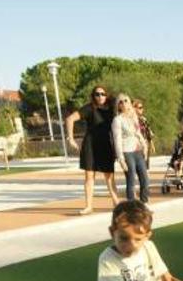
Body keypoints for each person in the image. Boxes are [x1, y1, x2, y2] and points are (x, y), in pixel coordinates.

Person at [65, 86, 120, 215]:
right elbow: (70, 119)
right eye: (97, 94)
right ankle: (89, 206)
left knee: (109, 177)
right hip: (90, 145)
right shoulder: (89, 108)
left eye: (103, 94)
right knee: (89, 177)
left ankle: (116, 203)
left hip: (106, 145)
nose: (100, 97)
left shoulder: (112, 108)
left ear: (107, 95)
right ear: (93, 96)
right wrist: (71, 138)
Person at [112, 94, 149, 203]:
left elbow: (138, 133)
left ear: (129, 103)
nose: (123, 103)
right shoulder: (117, 120)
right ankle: (131, 207)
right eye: (121, 102)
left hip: (137, 150)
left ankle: (143, 204)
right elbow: (117, 139)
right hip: (127, 152)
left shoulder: (134, 117)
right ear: (118, 106)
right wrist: (121, 159)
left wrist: (144, 145)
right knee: (131, 179)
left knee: (145, 180)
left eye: (126, 100)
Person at [133, 100, 155, 168]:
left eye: (142, 107)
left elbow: (148, 131)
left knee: (145, 164)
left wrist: (151, 144)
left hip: (145, 144)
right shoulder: (131, 119)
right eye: (140, 107)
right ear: (134, 108)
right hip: (136, 144)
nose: (142, 109)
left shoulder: (143, 119)